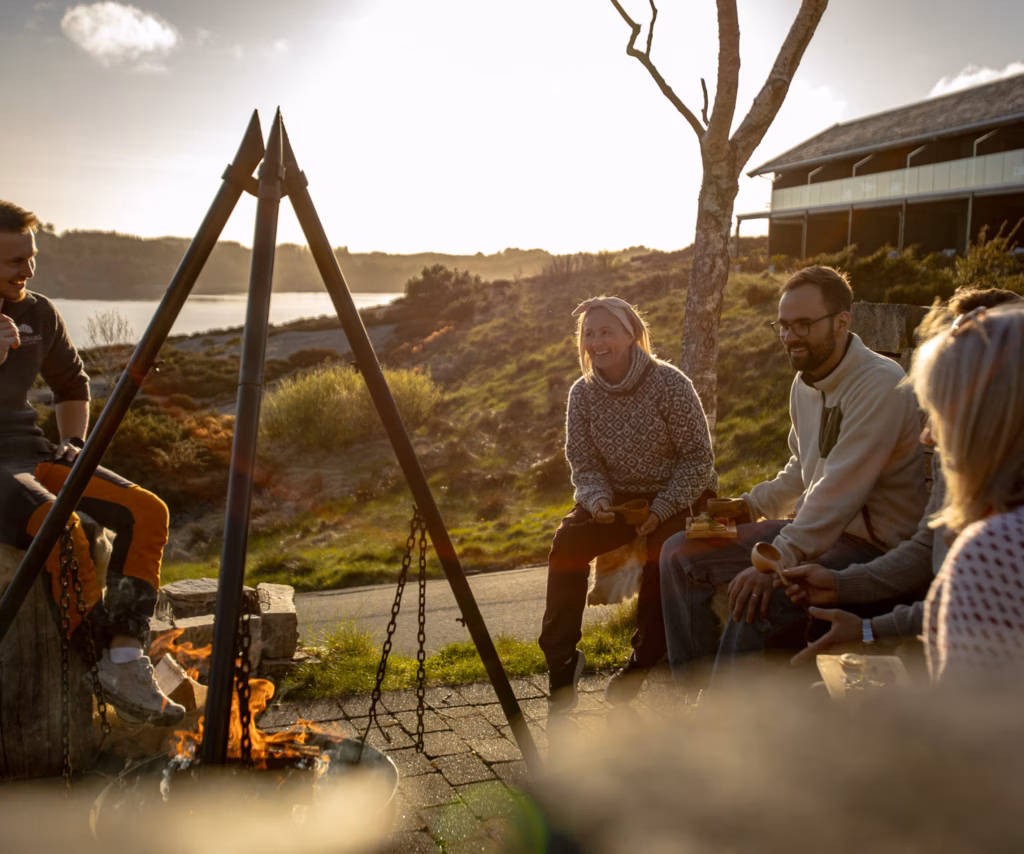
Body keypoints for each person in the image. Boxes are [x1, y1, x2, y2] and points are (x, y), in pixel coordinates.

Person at [659, 265, 927, 681]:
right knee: (679, 552)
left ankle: (727, 723)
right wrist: (749, 507)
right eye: (783, 326)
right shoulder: (806, 382)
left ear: (841, 323)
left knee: (756, 599)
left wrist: (776, 560)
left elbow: (839, 492)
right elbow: (801, 469)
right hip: (818, 529)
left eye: (802, 324)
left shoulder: (880, 384)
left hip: (873, 546)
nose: (789, 337)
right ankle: (693, 695)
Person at [0, 200, 185, 725]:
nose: (28, 270)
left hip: (32, 453)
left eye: (31, 257)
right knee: (64, 530)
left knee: (148, 511)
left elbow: (71, 382)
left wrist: (74, 443)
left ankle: (124, 657)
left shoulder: (37, 312)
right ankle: (95, 661)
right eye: (14, 261)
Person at [781, 286, 1024, 664]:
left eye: (950, 399)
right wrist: (844, 592)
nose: (927, 435)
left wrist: (869, 631)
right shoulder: (963, 473)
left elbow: (965, 699)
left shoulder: (995, 546)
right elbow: (930, 555)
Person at [541, 296, 717, 712]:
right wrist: (598, 500)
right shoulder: (581, 395)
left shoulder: (671, 384)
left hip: (680, 491)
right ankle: (561, 658)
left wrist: (662, 509)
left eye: (606, 332)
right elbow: (583, 462)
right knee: (567, 544)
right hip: (618, 497)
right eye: (589, 334)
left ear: (631, 335)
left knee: (664, 554)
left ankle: (643, 656)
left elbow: (698, 458)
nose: (597, 342)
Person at [908, 302, 1024, 681]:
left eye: (940, 414)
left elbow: (968, 733)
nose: (928, 435)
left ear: (984, 423)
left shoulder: (997, 550)